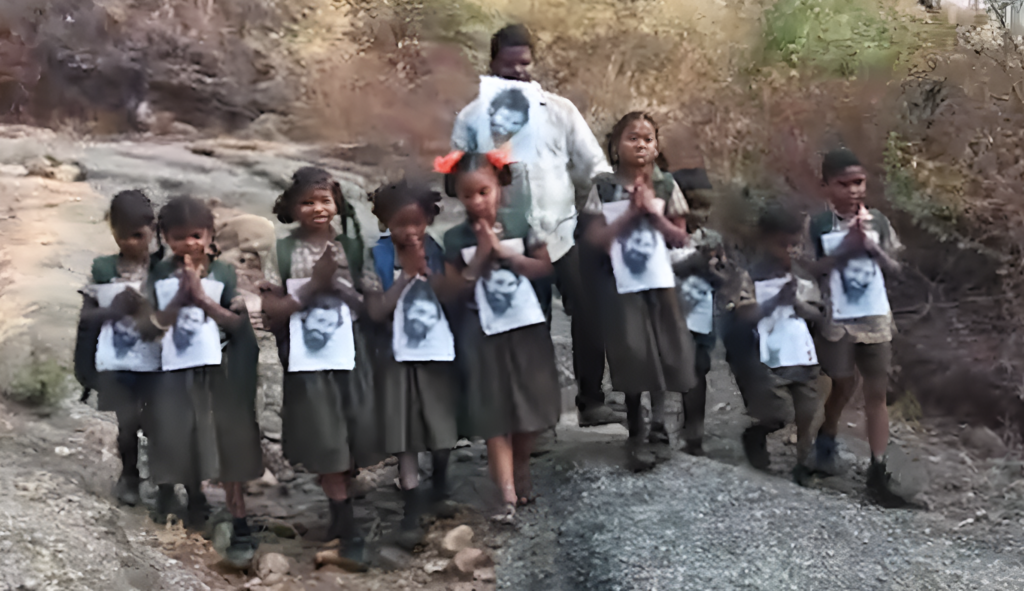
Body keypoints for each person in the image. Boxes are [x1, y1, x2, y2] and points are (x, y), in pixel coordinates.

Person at [451, 24, 621, 428]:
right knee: (529, 324)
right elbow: (460, 176)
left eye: (524, 63)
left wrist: (598, 210)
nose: (517, 72)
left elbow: (592, 165)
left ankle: (592, 401)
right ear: (492, 64)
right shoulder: (473, 118)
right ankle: (538, 416)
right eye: (508, 64)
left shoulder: (559, 110)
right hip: (508, 238)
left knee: (590, 312)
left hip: (563, 229)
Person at [259, 167, 378, 568]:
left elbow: (372, 305)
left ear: (337, 203)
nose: (317, 208)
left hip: (353, 356)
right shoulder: (283, 252)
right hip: (308, 362)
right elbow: (272, 311)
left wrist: (340, 288)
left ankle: (345, 501)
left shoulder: (353, 247)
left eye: (325, 200)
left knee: (354, 430)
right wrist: (312, 287)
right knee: (325, 436)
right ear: (292, 208)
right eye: (307, 201)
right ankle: (347, 526)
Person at [438, 150, 561, 524]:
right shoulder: (455, 238)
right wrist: (478, 261)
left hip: (524, 329)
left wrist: (506, 255)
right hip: (482, 333)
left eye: (484, 192)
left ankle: (521, 464)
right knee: (494, 412)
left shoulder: (522, 224)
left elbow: (544, 268)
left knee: (531, 408)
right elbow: (449, 290)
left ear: (500, 188)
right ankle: (505, 494)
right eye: (468, 195)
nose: (477, 202)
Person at [140, 195, 263, 566]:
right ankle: (190, 499)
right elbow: (150, 325)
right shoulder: (158, 274)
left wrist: (203, 299)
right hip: (173, 372)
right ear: (165, 237)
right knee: (180, 433)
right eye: (179, 237)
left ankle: (239, 518)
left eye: (196, 235)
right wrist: (182, 295)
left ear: (210, 235)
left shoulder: (223, 273)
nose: (189, 244)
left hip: (218, 369)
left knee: (226, 442)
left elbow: (237, 323)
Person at [581, 112, 696, 470]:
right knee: (631, 349)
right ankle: (635, 425)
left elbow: (680, 237)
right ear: (615, 146)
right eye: (632, 137)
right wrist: (630, 213)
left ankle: (660, 424)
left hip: (659, 282)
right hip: (621, 285)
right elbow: (595, 239)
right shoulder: (603, 188)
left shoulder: (666, 186)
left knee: (662, 347)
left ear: (657, 146)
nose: (641, 144)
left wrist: (653, 214)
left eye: (648, 138)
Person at [363, 179, 459, 550]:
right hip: (396, 356)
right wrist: (405, 275)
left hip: (435, 352)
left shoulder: (435, 250)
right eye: (400, 224)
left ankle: (441, 483)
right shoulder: (378, 257)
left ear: (428, 221)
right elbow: (375, 310)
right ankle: (411, 506)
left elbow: (450, 298)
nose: (409, 231)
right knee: (405, 432)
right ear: (385, 222)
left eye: (417, 223)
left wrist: (430, 273)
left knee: (440, 422)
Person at [807, 148, 905, 506]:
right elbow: (809, 269)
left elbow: (896, 268)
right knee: (842, 384)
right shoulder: (818, 224)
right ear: (826, 186)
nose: (853, 190)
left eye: (859, 182)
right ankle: (827, 436)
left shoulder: (877, 221)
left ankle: (878, 470)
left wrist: (873, 249)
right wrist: (845, 250)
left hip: (875, 316)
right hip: (838, 318)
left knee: (876, 394)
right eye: (843, 184)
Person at [76, 190, 163, 507]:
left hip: (157, 363)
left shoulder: (163, 268)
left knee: (156, 422)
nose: (134, 243)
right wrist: (114, 310)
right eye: (126, 237)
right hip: (118, 364)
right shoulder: (103, 270)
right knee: (127, 425)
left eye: (141, 235)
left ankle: (163, 479)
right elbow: (86, 317)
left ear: (153, 230)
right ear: (113, 233)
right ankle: (129, 475)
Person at [738, 204, 825, 481]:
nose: (789, 250)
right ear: (765, 239)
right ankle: (756, 435)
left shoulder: (801, 275)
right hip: (768, 356)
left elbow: (818, 314)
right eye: (781, 244)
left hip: (802, 352)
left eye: (794, 244)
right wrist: (774, 301)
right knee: (777, 413)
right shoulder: (752, 275)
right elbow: (745, 314)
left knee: (807, 415)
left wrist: (797, 303)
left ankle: (803, 465)